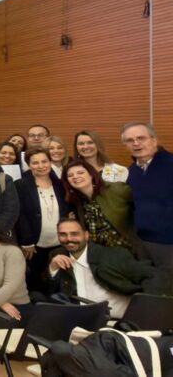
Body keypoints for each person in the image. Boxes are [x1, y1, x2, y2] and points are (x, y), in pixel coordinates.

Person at [47, 219, 171, 319]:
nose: (69, 239)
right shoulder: (57, 256)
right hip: (84, 320)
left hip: (121, 320)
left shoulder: (112, 256)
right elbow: (48, 293)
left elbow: (155, 275)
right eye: (63, 234)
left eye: (74, 234)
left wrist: (149, 309)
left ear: (86, 235)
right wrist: (53, 269)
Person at [15, 147, 71, 293]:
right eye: (35, 163)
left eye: (44, 161)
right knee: (35, 280)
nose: (41, 166)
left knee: (56, 278)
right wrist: (26, 242)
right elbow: (20, 215)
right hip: (34, 244)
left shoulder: (60, 184)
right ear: (29, 165)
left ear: (50, 162)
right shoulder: (21, 185)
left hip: (59, 242)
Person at [123, 122, 173, 277]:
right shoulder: (132, 170)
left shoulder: (170, 164)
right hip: (142, 242)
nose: (136, 143)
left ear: (154, 140)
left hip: (168, 244)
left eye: (141, 138)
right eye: (130, 140)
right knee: (149, 285)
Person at [63, 159, 136, 252]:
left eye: (80, 173)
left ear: (91, 174)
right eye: (70, 175)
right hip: (100, 254)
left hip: (128, 250)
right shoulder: (78, 202)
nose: (75, 177)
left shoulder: (115, 189)